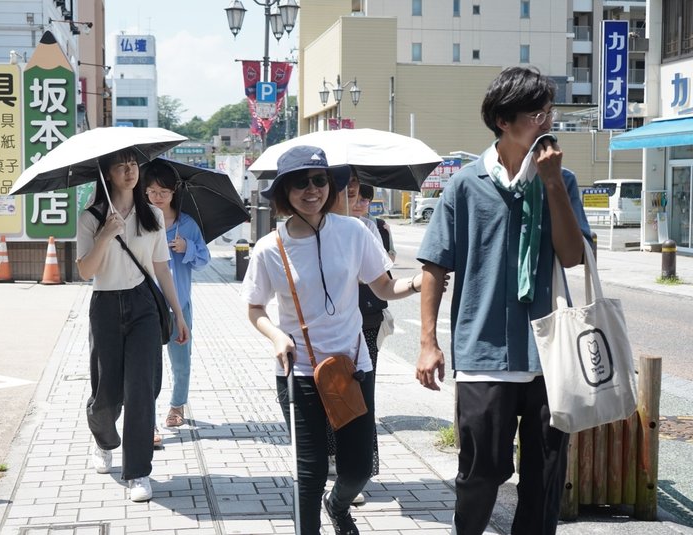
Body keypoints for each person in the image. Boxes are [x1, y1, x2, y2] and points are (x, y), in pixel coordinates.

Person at [415, 66, 591, 535]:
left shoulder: (563, 179)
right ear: (503, 121)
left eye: (548, 110)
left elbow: (573, 256)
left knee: (545, 478)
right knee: (481, 473)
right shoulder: (465, 185)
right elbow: (435, 265)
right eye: (537, 113)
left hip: (549, 354)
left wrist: (551, 183)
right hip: (483, 354)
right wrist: (428, 342)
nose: (547, 121)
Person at [241, 145, 425, 535]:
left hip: (352, 368)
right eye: (300, 183)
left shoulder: (355, 231)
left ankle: (338, 504)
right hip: (300, 370)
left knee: (357, 469)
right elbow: (255, 308)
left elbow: (384, 286)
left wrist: (415, 283)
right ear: (284, 192)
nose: (312, 190)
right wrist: (276, 336)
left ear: (332, 185)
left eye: (320, 180)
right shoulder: (269, 249)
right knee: (308, 472)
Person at [76, 147, 190, 503]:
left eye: (133, 165)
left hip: (143, 304)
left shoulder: (152, 214)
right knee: (107, 392)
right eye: (120, 166)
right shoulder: (91, 217)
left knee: (141, 389)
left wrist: (179, 314)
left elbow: (161, 269)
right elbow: (85, 271)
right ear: (107, 174)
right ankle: (104, 440)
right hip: (106, 305)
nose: (129, 171)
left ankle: (138, 471)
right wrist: (106, 234)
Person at [142, 160, 211, 445]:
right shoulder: (141, 221)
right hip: (146, 304)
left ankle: (176, 405)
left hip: (179, 304)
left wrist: (188, 248)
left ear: (174, 192)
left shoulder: (187, 225)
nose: (157, 197)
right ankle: (147, 418)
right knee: (146, 365)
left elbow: (205, 260)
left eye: (163, 191)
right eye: (151, 191)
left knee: (180, 360)